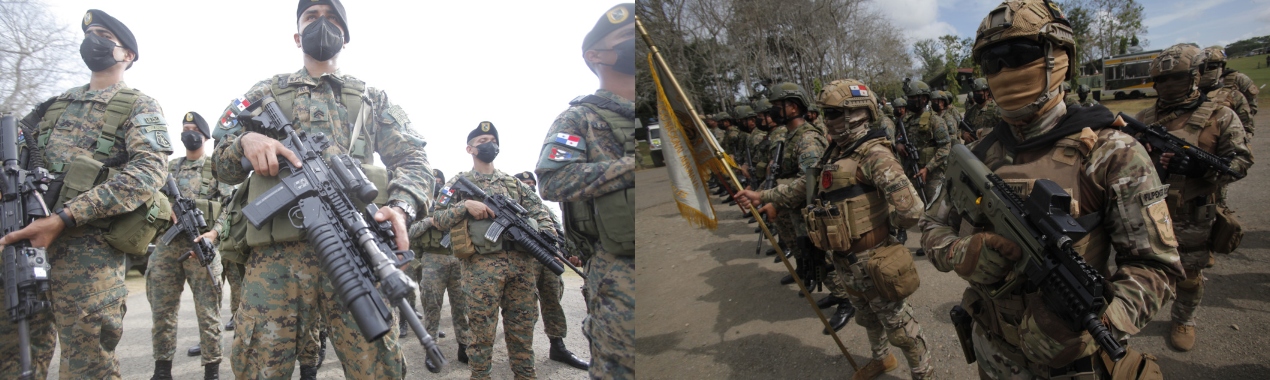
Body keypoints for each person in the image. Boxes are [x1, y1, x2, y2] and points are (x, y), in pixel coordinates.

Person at [920, 1, 1185, 377]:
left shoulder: (1112, 152)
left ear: (1058, 58)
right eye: (992, 62)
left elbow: (1157, 268)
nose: (1004, 71)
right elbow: (931, 227)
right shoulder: (980, 154)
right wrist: (959, 252)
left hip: (1070, 363)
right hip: (992, 350)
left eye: (1018, 55)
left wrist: (1100, 324)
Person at [210, 1, 434, 377]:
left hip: (353, 248)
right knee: (259, 367)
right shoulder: (266, 91)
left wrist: (402, 205)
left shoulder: (371, 99)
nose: (322, 24)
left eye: (332, 19)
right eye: (311, 17)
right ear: (297, 35)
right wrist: (245, 141)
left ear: (345, 38)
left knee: (379, 365)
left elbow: (414, 161)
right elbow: (218, 162)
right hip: (276, 262)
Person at [3, 9, 171, 378]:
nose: (93, 40)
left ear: (127, 55)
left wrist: (65, 217)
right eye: (90, 33)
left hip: (87, 255)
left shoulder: (138, 105)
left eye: (104, 36)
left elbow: (148, 172)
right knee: (13, 356)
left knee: (88, 364)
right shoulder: (50, 107)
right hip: (23, 245)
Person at [736, 78, 934, 380]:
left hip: (875, 260)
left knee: (901, 328)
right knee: (867, 319)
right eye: (825, 114)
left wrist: (884, 230)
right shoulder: (835, 153)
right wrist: (762, 196)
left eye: (832, 114)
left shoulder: (874, 155)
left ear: (856, 112)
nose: (826, 121)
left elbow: (913, 209)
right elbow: (805, 187)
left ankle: (926, 374)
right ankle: (882, 360)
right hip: (845, 259)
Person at [535, 4, 637, 378]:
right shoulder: (580, 118)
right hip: (619, 268)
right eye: (628, 39)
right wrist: (633, 166)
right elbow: (553, 180)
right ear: (595, 55)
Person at [1134, 43, 1252, 352]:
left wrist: (1204, 169)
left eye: (1176, 78)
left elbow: (1241, 163)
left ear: (1195, 76)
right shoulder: (1144, 118)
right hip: (1149, 210)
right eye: (1161, 80)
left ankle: (1184, 318)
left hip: (1193, 211)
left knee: (1188, 274)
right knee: (1142, 267)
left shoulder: (1220, 116)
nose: (1167, 86)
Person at [434, 122, 555, 379]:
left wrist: (547, 236)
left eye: (493, 140)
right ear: (470, 149)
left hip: (521, 265)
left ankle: (525, 374)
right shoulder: (458, 183)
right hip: (481, 267)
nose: (490, 144)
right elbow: (437, 218)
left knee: (522, 330)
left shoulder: (513, 184)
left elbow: (541, 214)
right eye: (482, 141)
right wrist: (465, 205)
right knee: (481, 331)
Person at [147, 112, 233, 380]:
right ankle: (162, 371)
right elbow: (148, 196)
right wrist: (165, 208)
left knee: (209, 314)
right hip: (168, 247)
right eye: (185, 128)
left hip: (202, 248)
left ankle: (212, 372)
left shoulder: (216, 169)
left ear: (205, 136)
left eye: (194, 129)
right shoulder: (169, 168)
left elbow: (230, 208)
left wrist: (214, 233)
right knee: (162, 312)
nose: (189, 132)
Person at [512, 171, 590, 370]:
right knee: (524, 307)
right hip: (524, 262)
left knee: (552, 302)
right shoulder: (511, 209)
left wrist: (564, 251)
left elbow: (559, 232)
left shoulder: (542, 208)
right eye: (523, 182)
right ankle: (522, 353)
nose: (528, 186)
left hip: (547, 260)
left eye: (531, 183)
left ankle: (558, 346)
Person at [407, 169, 472, 364]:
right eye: (433, 181)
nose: (436, 184)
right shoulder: (421, 206)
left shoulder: (457, 204)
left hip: (457, 258)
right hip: (432, 260)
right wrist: (429, 221)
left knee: (461, 306)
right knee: (432, 306)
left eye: (439, 181)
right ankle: (432, 349)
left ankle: (464, 346)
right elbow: (410, 231)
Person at [897, 79, 951, 203]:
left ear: (924, 99)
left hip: (932, 175)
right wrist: (898, 144)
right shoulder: (906, 121)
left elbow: (945, 147)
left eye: (913, 97)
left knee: (934, 207)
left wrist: (928, 168)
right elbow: (898, 137)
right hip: (911, 172)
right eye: (909, 98)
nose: (910, 101)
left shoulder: (935, 120)